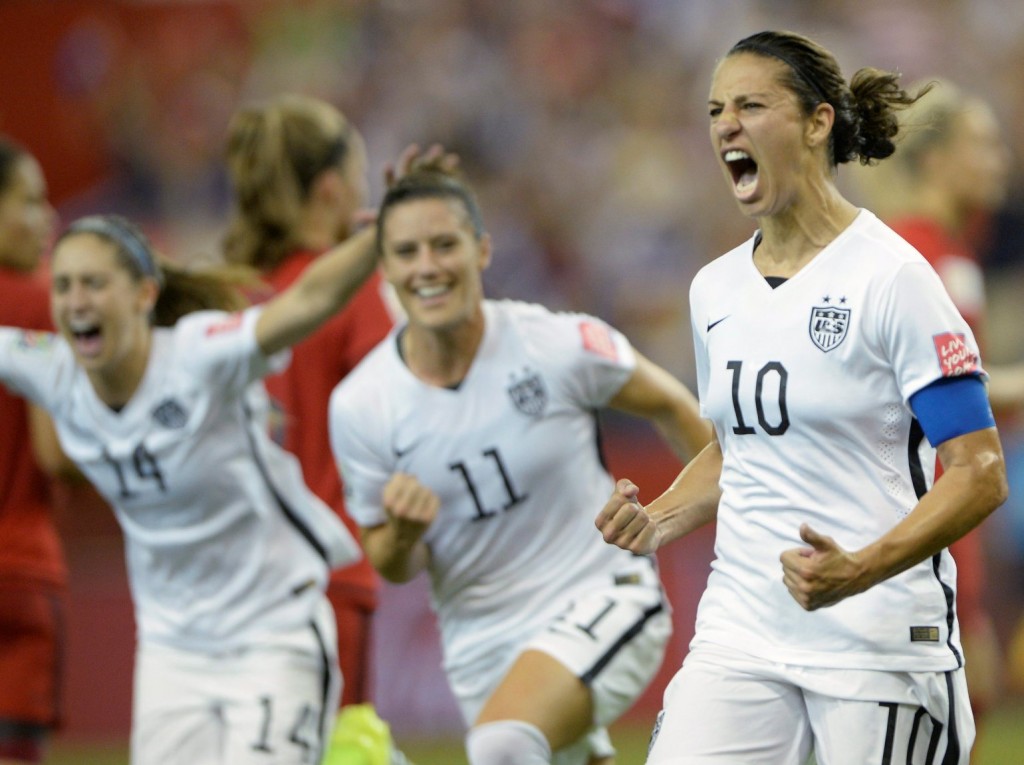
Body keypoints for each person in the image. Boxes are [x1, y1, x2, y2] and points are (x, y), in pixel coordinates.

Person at [595, 30, 1008, 764]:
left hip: (877, 643)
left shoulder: (896, 278)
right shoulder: (713, 290)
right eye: (717, 108)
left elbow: (979, 470)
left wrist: (861, 567)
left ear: (819, 123)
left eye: (752, 104)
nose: (727, 123)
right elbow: (736, 449)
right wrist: (656, 520)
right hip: (742, 634)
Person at [328, 162, 710, 765]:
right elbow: (391, 562)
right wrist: (402, 532)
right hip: (480, 646)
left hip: (598, 593)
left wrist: (734, 505)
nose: (427, 266)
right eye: (406, 251)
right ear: (386, 267)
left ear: (481, 250)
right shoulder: (360, 406)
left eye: (444, 244)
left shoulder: (555, 344)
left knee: (503, 743)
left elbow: (671, 404)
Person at [0, 207, 385, 765]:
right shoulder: (52, 370)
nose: (75, 301)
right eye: (63, 286)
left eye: (94, 283)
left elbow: (306, 302)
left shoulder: (199, 355)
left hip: (273, 631)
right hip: (171, 650)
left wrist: (379, 236)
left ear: (143, 294)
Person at [853, 78, 1024, 729]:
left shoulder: (950, 254)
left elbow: (964, 387)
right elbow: (937, 395)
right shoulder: (916, 255)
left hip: (950, 514)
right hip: (923, 513)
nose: (999, 159)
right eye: (982, 143)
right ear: (935, 158)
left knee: (967, 705)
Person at [222, 94, 396, 712]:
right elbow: (399, 414)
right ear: (330, 188)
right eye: (358, 168)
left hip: (236, 583)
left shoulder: (229, 293)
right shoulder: (353, 293)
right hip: (329, 570)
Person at [0, 137, 66, 764]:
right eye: (28, 201)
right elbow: (53, 455)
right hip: (20, 569)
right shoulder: (42, 303)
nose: (47, 217)